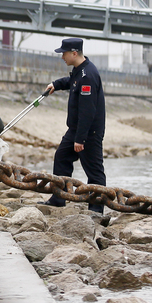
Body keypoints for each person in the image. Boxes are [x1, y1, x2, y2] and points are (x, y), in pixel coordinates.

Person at [42, 37, 106, 214]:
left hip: (88, 132)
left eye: (64, 53)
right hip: (76, 130)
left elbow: (88, 111)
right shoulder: (80, 71)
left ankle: (96, 210)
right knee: (62, 157)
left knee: (94, 170)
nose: (62, 57)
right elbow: (71, 82)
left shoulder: (88, 76)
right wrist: (56, 84)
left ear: (74, 53)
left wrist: (80, 139)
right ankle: (58, 198)